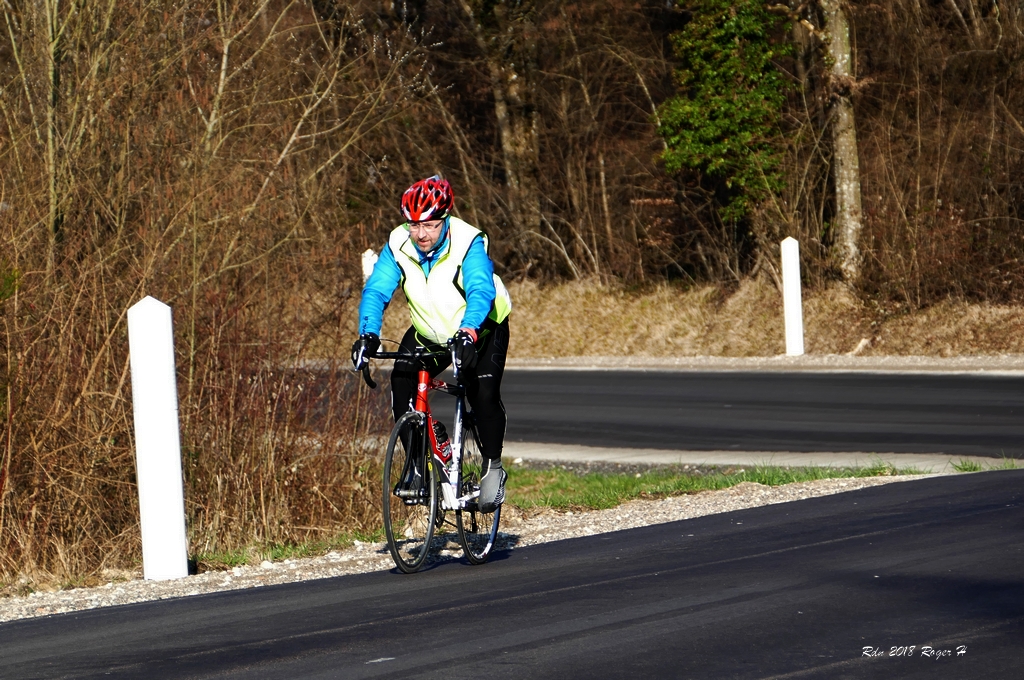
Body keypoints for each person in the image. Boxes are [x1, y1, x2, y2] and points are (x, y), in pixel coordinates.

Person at [351, 176, 512, 512]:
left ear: (445, 219)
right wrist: (367, 334)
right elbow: (377, 290)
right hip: (429, 332)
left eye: (430, 225)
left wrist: (469, 331)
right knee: (402, 380)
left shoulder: (468, 241)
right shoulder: (399, 242)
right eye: (414, 225)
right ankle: (416, 466)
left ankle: (493, 466)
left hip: (481, 328)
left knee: (482, 392)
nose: (421, 234)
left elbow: (480, 289)